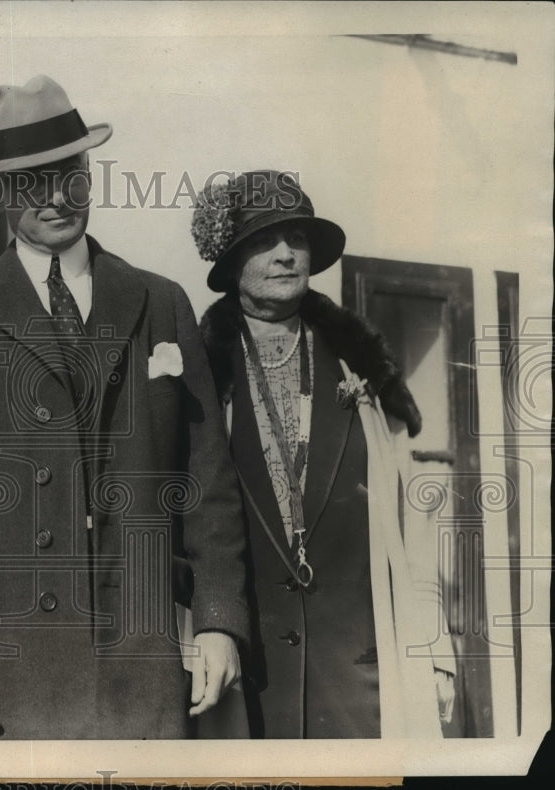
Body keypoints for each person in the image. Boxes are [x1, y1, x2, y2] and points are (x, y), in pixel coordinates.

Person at [0, 75, 249, 739]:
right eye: (32, 180)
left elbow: (208, 485)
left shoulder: (161, 302)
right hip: (12, 669)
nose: (56, 196)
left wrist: (221, 621)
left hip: (144, 661)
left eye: (71, 174)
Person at [191, 169, 456, 738]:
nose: (286, 255)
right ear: (232, 263)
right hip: (247, 677)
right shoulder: (201, 379)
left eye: (298, 240)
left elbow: (412, 521)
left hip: (359, 679)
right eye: (264, 242)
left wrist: (433, 652)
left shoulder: (358, 370)